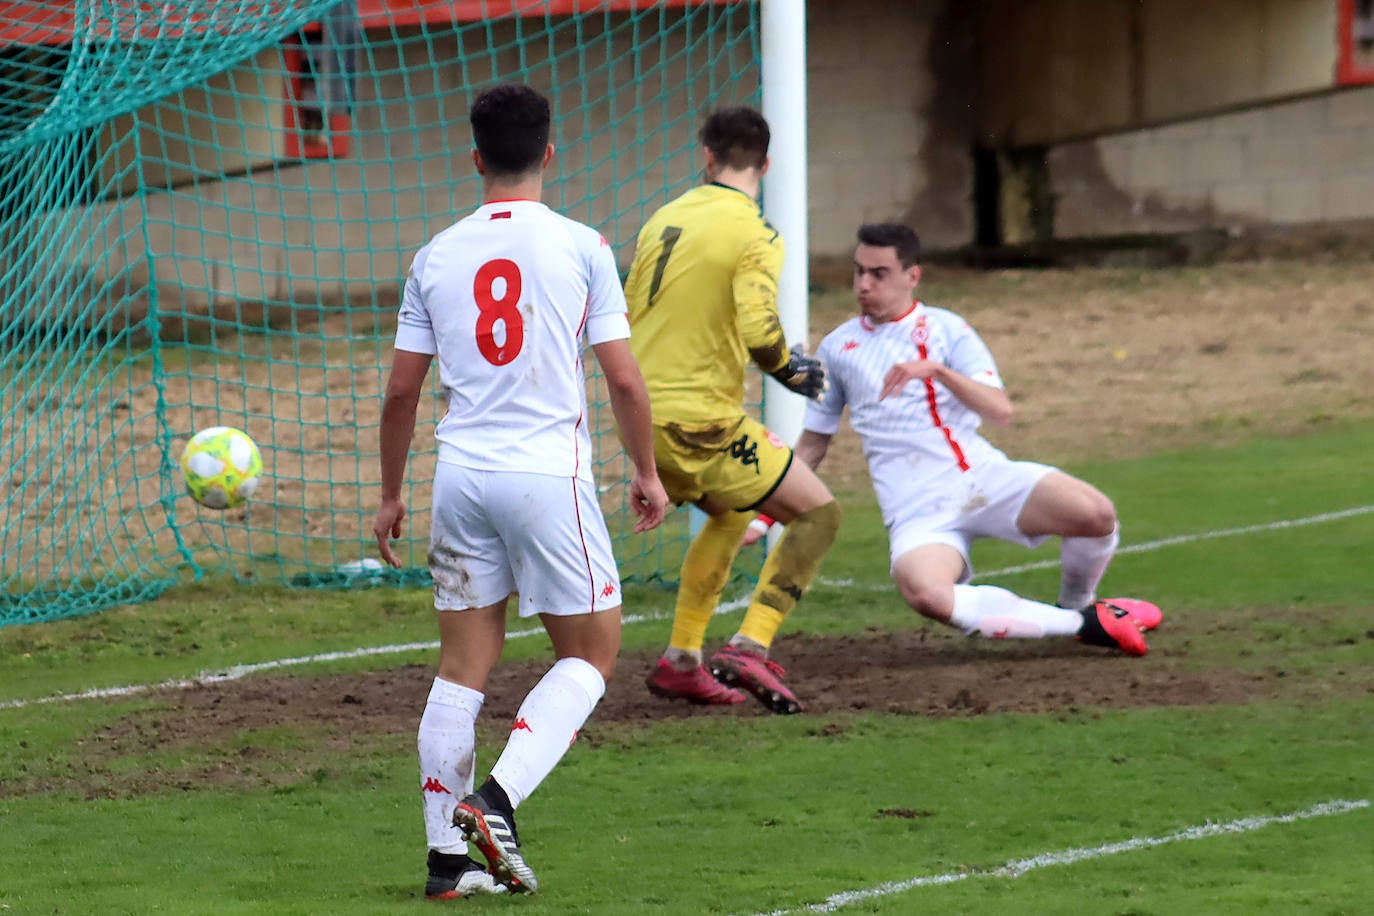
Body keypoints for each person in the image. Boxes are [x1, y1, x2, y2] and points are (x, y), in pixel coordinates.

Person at [373, 83, 669, 899]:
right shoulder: (581, 245)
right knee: (592, 652)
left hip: (461, 476)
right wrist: (646, 473)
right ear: (549, 153)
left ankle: (446, 866)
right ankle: (496, 803)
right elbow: (624, 381)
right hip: (546, 476)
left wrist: (391, 494)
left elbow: (400, 392)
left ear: (474, 157)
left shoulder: (434, 255)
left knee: (462, 666)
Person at [747, 222, 1161, 655]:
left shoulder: (948, 330)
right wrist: (764, 517)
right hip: (915, 510)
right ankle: (1083, 623)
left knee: (1096, 514)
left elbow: (1000, 411)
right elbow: (814, 443)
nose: (863, 285)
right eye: (859, 272)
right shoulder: (838, 347)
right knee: (926, 594)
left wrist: (939, 371)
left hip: (980, 478)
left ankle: (1078, 602)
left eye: (878, 273)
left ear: (912, 276)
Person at [623, 105, 843, 715]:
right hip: (703, 423)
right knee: (818, 515)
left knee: (727, 512)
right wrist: (793, 371)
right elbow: (758, 328)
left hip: (640, 417)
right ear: (766, 164)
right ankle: (751, 644)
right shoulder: (755, 233)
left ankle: (683, 662)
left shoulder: (664, 218)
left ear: (707, 156)